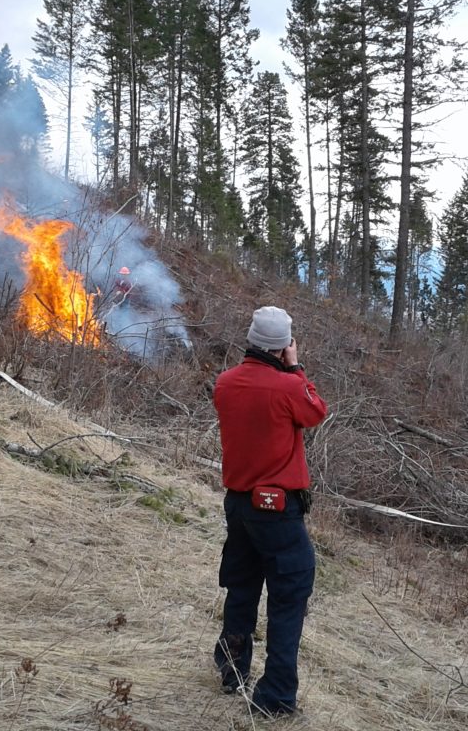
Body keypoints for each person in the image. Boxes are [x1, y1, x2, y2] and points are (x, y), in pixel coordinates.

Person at [212, 305, 328, 718]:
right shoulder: (288, 386)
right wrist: (295, 368)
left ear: (251, 340)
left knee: (242, 584)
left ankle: (232, 669)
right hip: (277, 509)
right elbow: (316, 411)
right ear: (283, 346)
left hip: (238, 502)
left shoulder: (225, 382)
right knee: (290, 593)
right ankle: (275, 696)